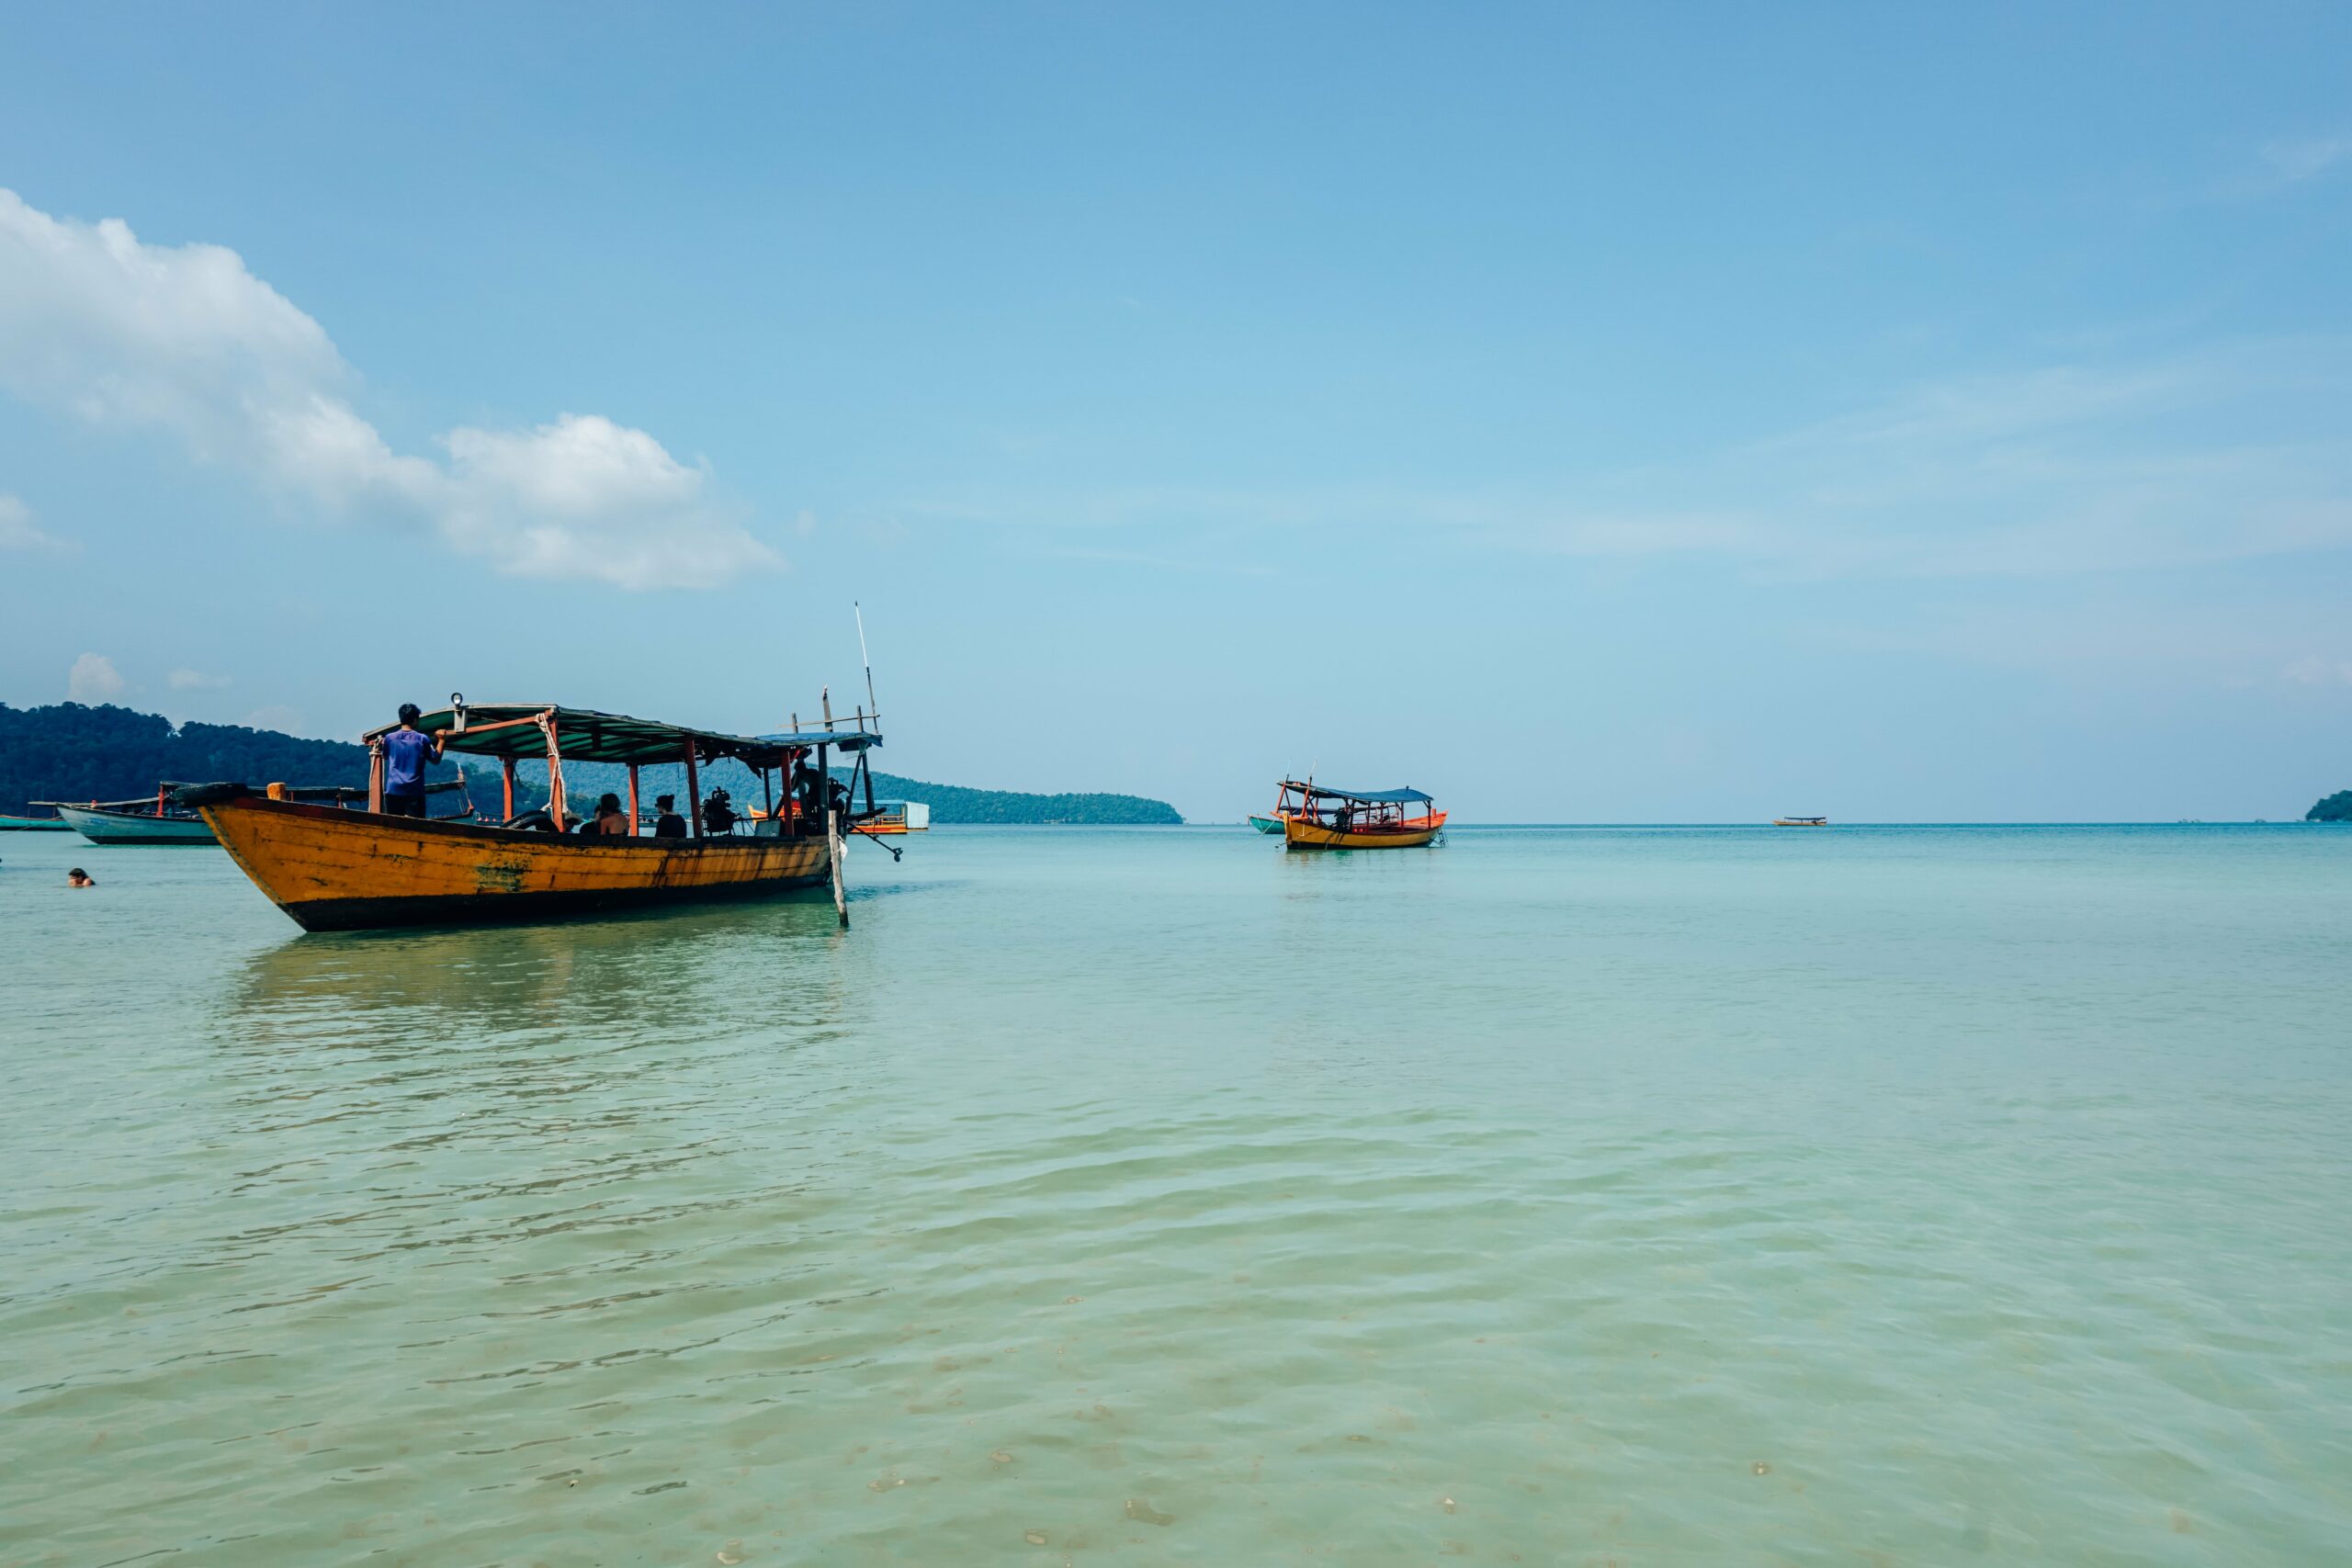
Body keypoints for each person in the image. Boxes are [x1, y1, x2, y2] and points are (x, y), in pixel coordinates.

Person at [379, 703, 443, 818]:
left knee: (394, 826)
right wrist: (442, 740)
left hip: (393, 789)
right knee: (416, 828)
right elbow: (435, 759)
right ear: (415, 719)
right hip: (414, 791)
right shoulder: (422, 739)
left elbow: (385, 756)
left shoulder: (390, 738)